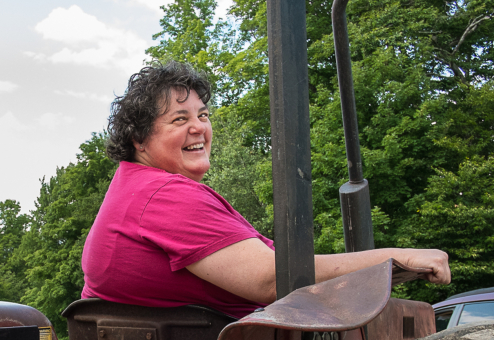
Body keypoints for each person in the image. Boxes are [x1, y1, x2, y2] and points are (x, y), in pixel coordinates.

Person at [81, 62, 450, 319]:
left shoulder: (138, 189)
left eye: (203, 115)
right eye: (180, 119)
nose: (199, 128)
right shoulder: (163, 196)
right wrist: (396, 258)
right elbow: (273, 279)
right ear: (139, 140)